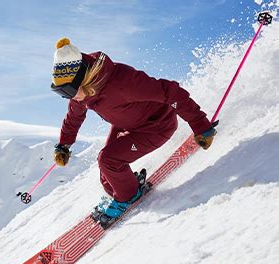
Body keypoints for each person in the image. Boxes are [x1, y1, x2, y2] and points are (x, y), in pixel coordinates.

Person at [51, 38, 216, 220]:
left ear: (84, 78)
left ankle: (128, 196)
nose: (68, 97)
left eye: (67, 90)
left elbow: (170, 92)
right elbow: (74, 117)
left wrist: (200, 125)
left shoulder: (122, 83)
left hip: (156, 126)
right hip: (128, 124)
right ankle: (127, 189)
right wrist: (64, 145)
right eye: (60, 92)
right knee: (108, 178)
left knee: (108, 160)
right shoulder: (81, 96)